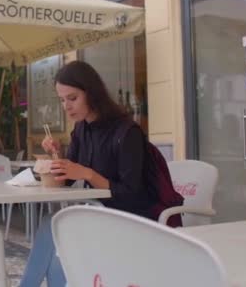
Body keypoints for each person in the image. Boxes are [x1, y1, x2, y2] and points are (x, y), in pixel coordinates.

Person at [19, 61, 158, 287]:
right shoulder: (82, 129)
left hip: (131, 220)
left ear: (92, 93)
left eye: (72, 98)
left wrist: (89, 174)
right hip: (98, 214)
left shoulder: (126, 132)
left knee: (54, 227)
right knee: (54, 229)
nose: (66, 106)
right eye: (62, 100)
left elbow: (133, 194)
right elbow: (68, 179)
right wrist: (56, 155)